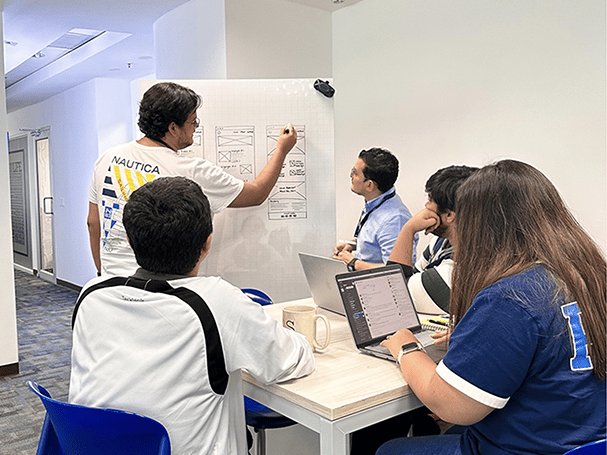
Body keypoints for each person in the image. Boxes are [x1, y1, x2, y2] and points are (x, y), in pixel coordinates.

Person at [70, 176, 315, 455]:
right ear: (207, 243)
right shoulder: (216, 301)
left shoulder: (92, 294)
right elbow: (285, 361)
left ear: (128, 240)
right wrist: (300, 337)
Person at [378, 160, 606, 455]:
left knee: (390, 449)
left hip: (530, 447)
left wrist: (405, 348)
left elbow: (448, 405)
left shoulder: (510, 298)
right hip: (585, 440)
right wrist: (481, 337)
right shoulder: (587, 274)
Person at [87, 81, 298, 276]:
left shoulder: (107, 158)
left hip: (111, 281)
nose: (195, 128)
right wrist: (281, 150)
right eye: (193, 122)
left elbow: (93, 222)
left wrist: (102, 272)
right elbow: (257, 193)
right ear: (172, 128)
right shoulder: (191, 171)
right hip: (162, 286)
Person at [388, 165, 478, 314]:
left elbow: (393, 297)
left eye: (430, 199)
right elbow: (413, 275)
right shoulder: (442, 242)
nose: (426, 205)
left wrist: (408, 230)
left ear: (449, 215)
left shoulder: (456, 271)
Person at [334, 148, 416, 271]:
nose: (351, 176)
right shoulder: (377, 203)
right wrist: (354, 245)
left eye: (355, 173)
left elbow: (395, 270)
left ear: (369, 185)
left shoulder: (394, 219)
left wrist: (353, 263)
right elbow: (377, 237)